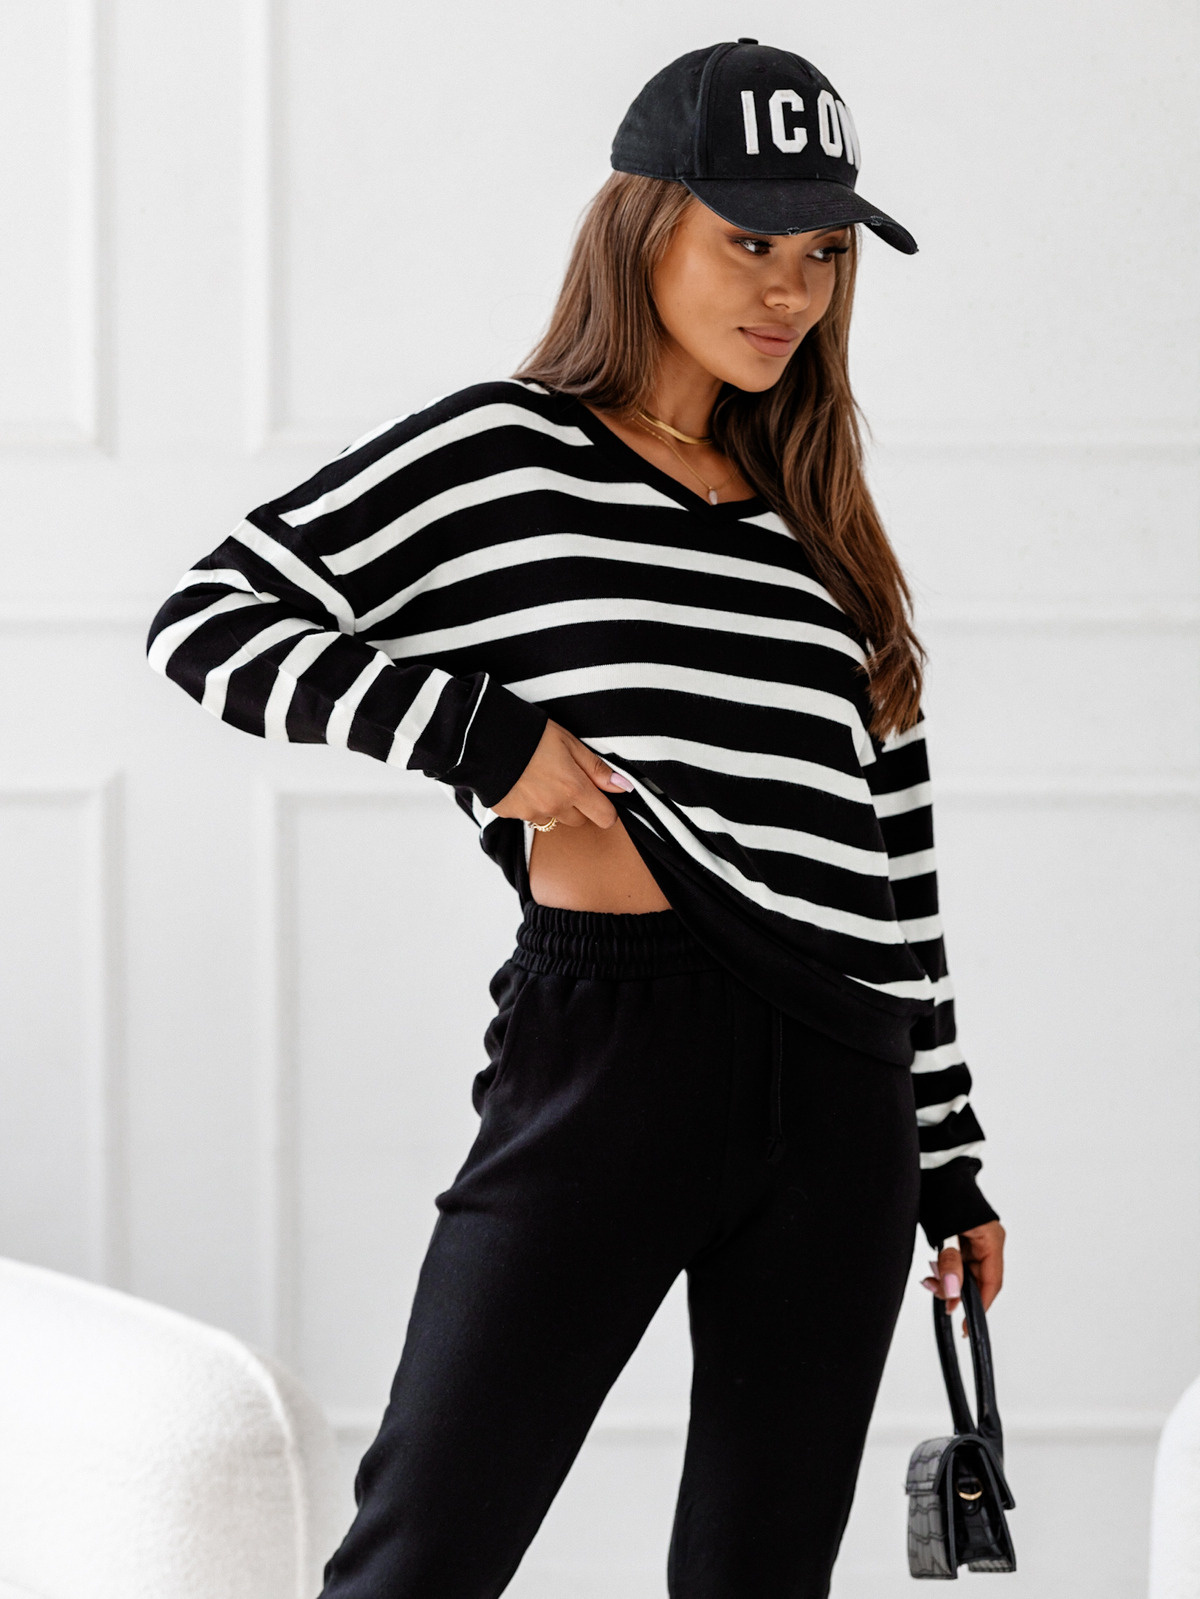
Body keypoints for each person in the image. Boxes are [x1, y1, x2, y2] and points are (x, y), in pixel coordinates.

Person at [146, 37, 1005, 1599]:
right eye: (751, 242)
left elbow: (897, 868)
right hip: (612, 1051)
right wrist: (483, 736)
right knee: (425, 1549)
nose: (791, 291)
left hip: (846, 1090)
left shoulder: (821, 524)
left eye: (822, 254)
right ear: (644, 225)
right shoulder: (505, 452)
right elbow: (211, 620)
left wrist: (948, 1162)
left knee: (760, 1576)